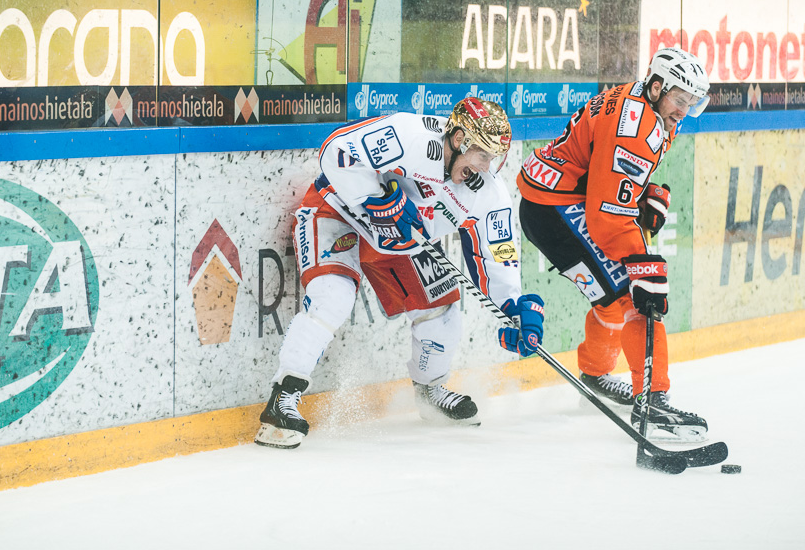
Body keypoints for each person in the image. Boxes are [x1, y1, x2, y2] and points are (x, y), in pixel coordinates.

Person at [255, 98, 545, 449]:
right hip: (337, 211)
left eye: (493, 157)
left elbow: (497, 255)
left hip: (401, 240)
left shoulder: (488, 194)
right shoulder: (410, 134)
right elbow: (336, 151)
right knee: (332, 297)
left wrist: (512, 307)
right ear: (458, 139)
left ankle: (430, 392)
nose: (486, 167)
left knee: (442, 312)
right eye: (482, 154)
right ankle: (282, 400)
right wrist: (375, 199)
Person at [516, 47, 711, 441]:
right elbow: (607, 218)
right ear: (657, 86)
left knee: (612, 296)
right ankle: (652, 399)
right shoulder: (635, 127)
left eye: (692, 103)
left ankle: (595, 374)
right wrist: (641, 260)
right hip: (556, 209)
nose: (684, 111)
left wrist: (644, 193)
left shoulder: (643, 101)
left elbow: (602, 168)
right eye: (680, 100)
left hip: (555, 199)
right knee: (635, 296)